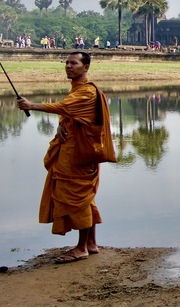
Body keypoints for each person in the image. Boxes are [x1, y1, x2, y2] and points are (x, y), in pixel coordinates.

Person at [17, 52, 114, 264]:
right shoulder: (78, 90)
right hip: (73, 151)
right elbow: (72, 115)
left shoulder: (87, 92)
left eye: (74, 63)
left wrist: (32, 105)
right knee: (84, 197)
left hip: (79, 155)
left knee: (77, 198)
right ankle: (91, 243)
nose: (69, 66)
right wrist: (62, 125)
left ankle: (81, 248)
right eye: (67, 63)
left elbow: (64, 107)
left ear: (86, 67)